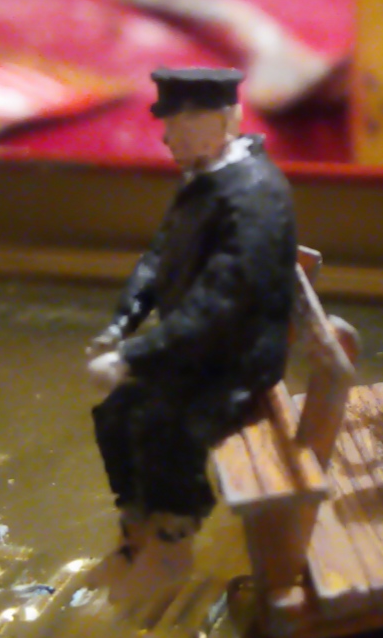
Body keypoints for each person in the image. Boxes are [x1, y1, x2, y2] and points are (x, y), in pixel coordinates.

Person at [87, 67, 297, 593]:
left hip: (237, 355)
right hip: (197, 345)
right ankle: (137, 527)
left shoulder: (255, 194)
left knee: (166, 422)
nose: (167, 138)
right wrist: (123, 322)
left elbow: (222, 302)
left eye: (183, 125)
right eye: (168, 125)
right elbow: (159, 256)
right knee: (115, 414)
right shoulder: (203, 179)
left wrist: (135, 356)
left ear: (228, 120)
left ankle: (173, 539)